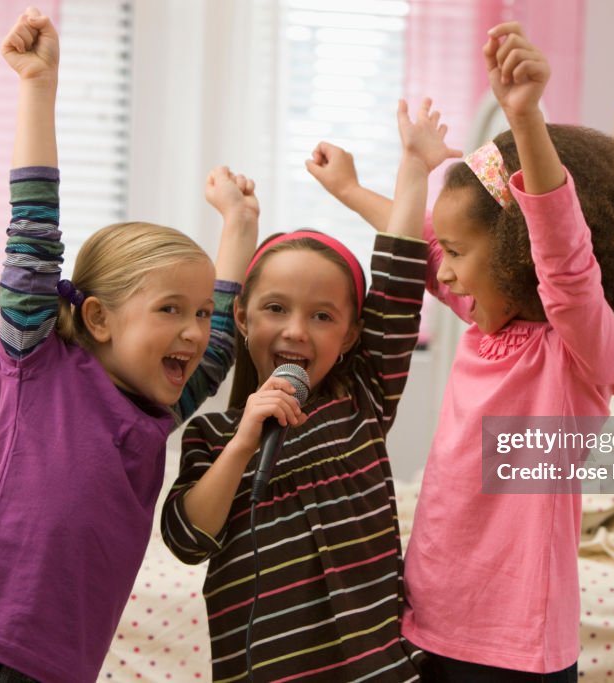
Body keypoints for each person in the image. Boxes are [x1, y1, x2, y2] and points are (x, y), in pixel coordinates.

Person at [0, 9, 257, 682]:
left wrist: (239, 224)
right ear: (97, 317)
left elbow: (222, 345)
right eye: (171, 309)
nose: (193, 329)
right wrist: (39, 85)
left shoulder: (155, 418)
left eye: (201, 311)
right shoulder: (39, 365)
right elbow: (33, 227)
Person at [309, 22, 614, 683]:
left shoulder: (580, 353)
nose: (444, 273)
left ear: (516, 257)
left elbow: (564, 258)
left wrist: (524, 117)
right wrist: (352, 191)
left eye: (462, 255)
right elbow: (419, 244)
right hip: (431, 614)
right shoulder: (484, 322)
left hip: (517, 645)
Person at [160, 98, 460, 682]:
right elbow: (186, 537)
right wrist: (245, 436)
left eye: (323, 317)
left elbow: (398, 279)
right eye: (276, 309)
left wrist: (415, 167)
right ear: (242, 319)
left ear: (351, 334)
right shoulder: (212, 435)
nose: (296, 330)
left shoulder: (363, 401)